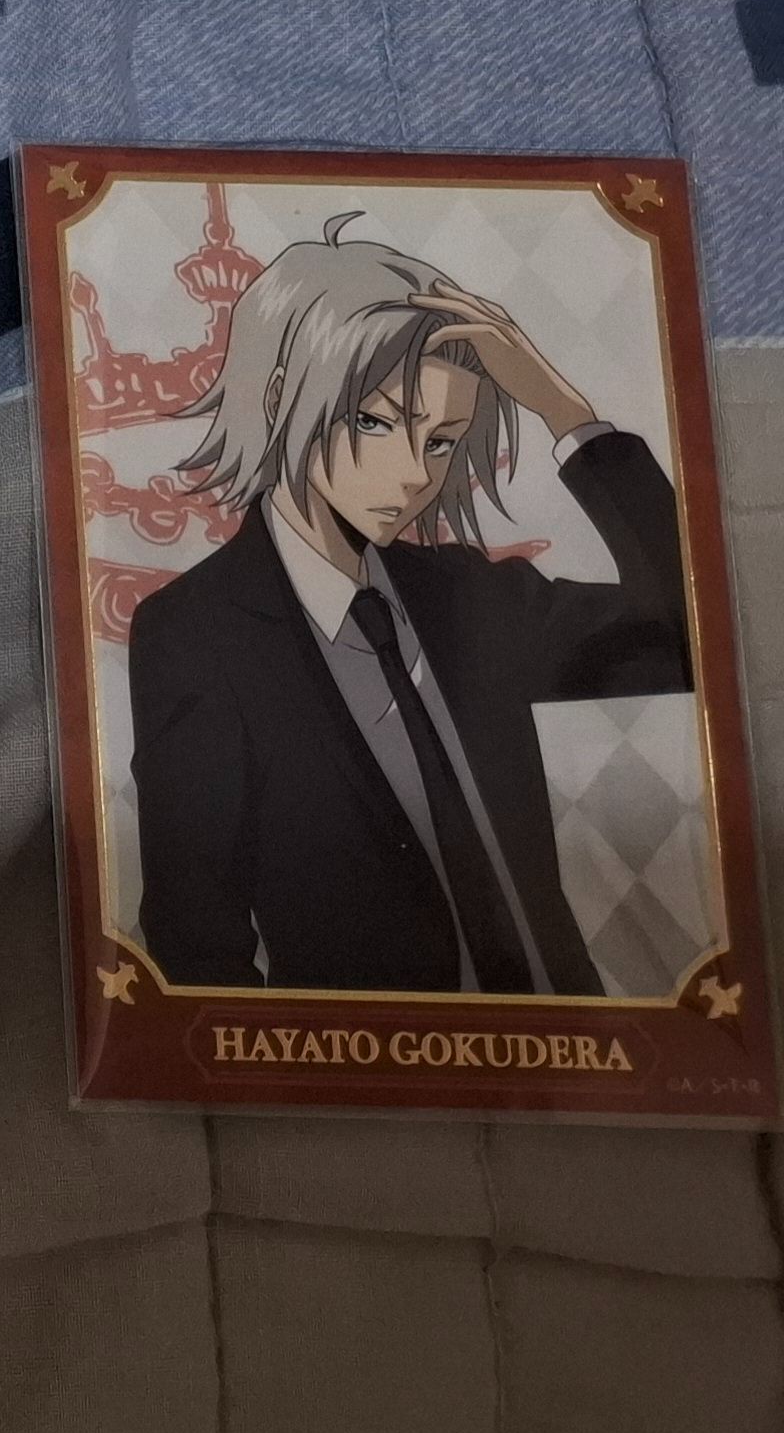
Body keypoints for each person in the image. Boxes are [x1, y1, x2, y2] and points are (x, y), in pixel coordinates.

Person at [126, 215, 688, 994]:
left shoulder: (470, 594)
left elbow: (684, 636)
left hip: (562, 1044)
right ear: (283, 398)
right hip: (355, 1057)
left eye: (441, 440)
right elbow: (194, 939)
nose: (414, 474)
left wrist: (564, 411)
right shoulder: (196, 632)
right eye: (375, 422)